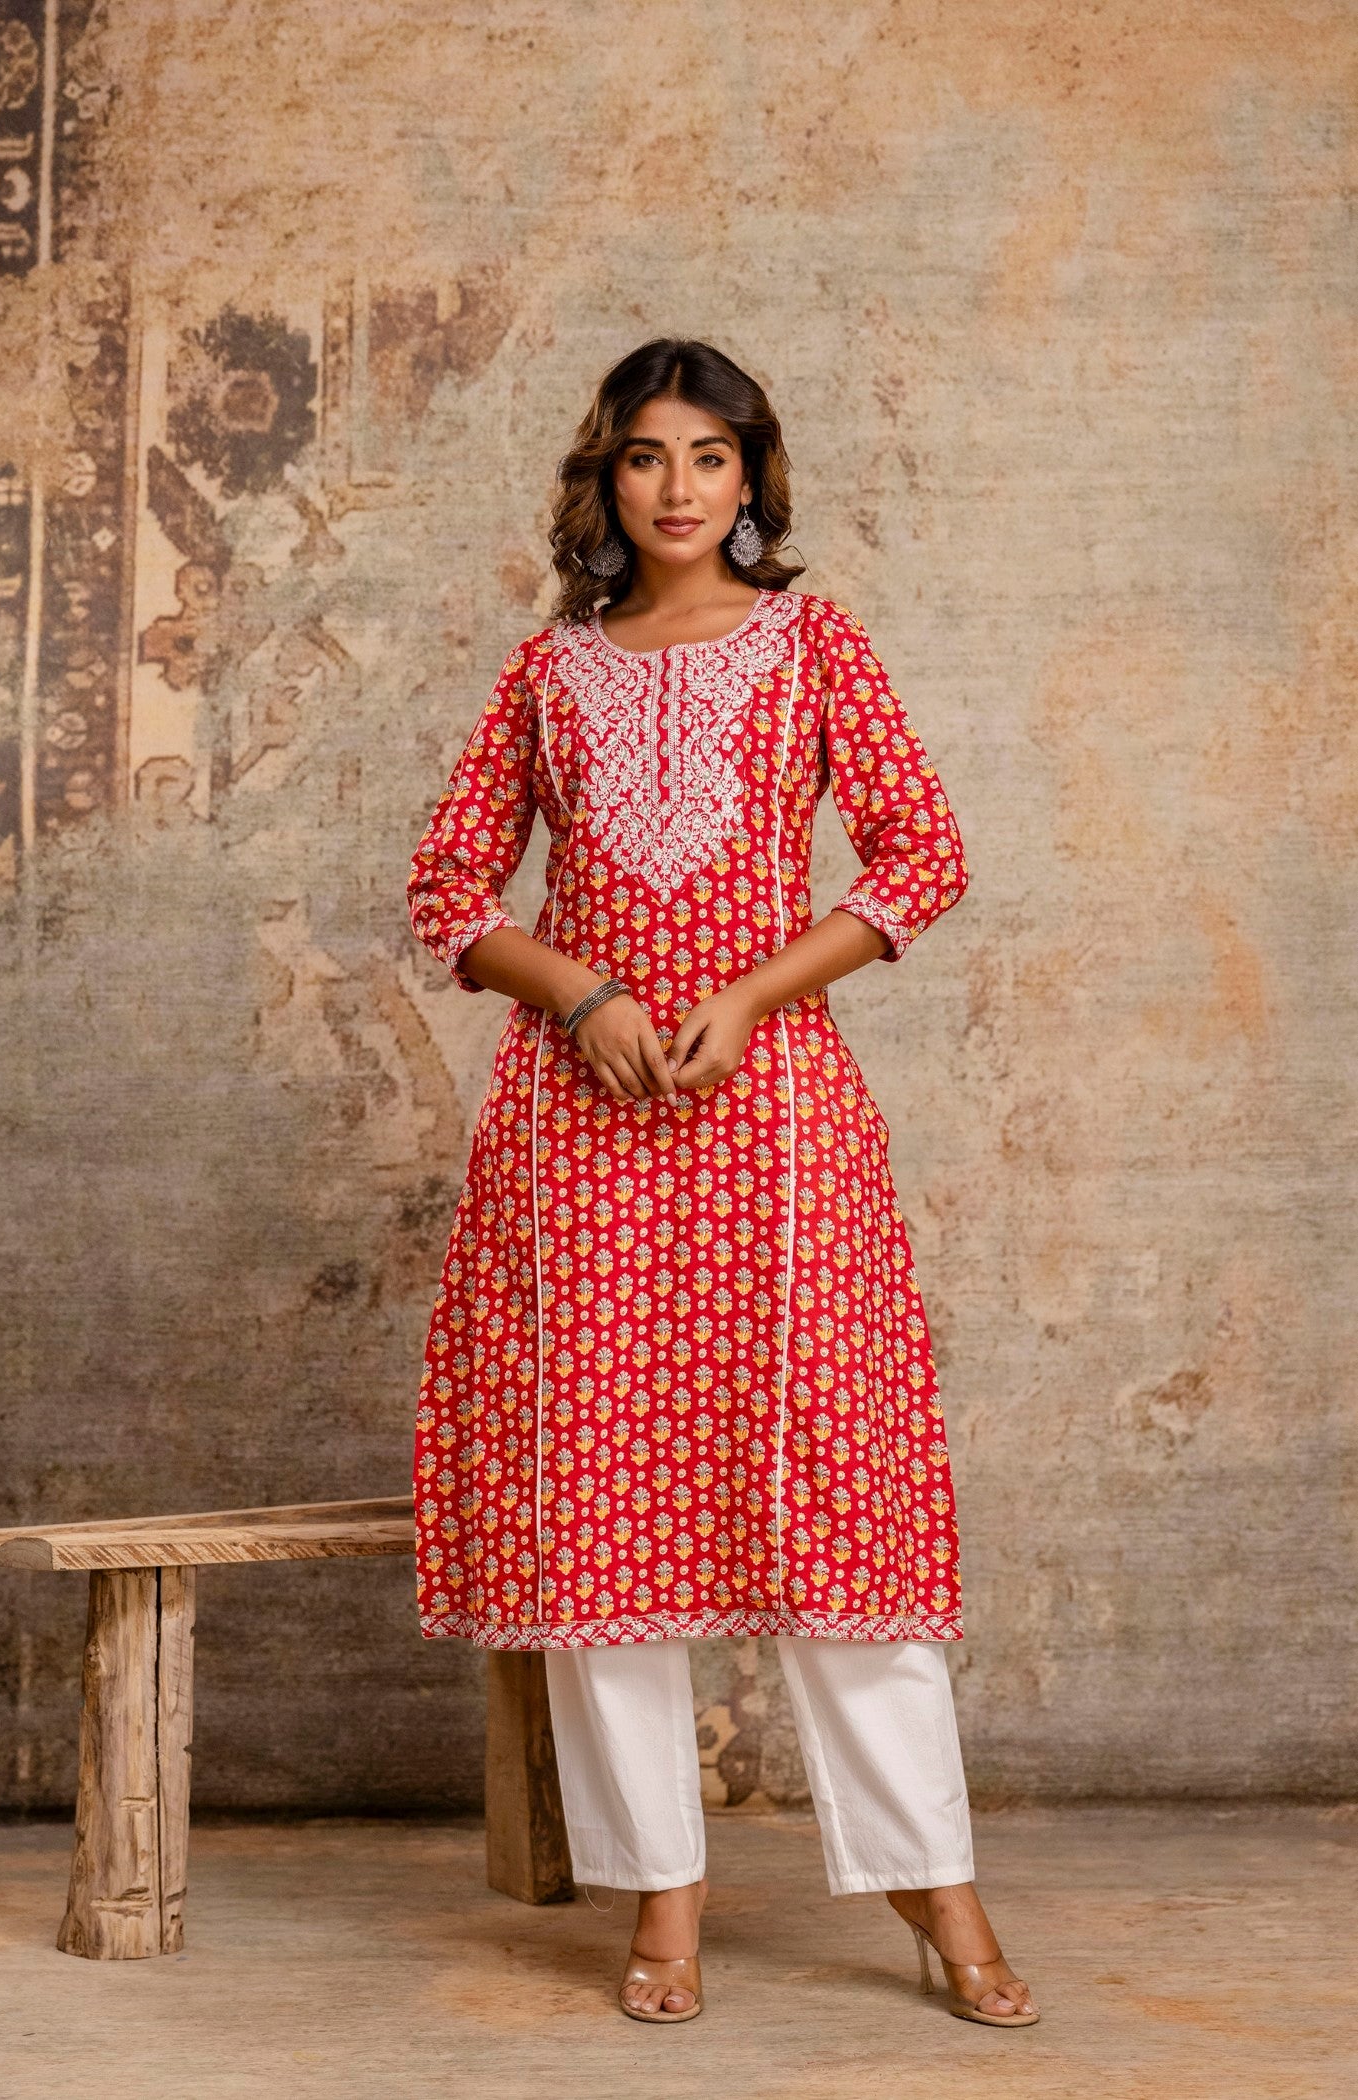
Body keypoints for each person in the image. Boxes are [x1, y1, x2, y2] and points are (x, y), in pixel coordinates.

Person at [405, 337, 1039, 2029]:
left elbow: (927, 851)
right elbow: (447, 883)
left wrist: (755, 991)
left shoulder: (811, 643)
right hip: (582, 1134)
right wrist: (587, 998)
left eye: (707, 455)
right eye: (641, 457)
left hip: (773, 1128)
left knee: (836, 1497)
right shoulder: (550, 674)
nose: (676, 486)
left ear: (751, 476)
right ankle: (663, 1898)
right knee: (600, 1523)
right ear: (601, 479)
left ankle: (937, 1890)